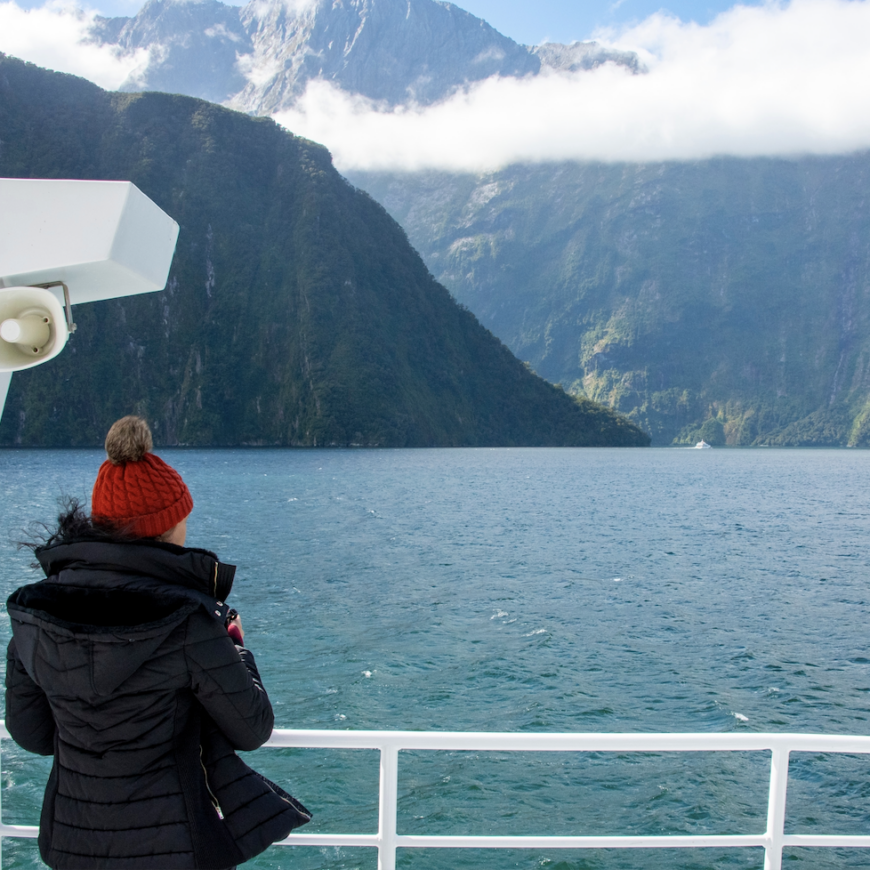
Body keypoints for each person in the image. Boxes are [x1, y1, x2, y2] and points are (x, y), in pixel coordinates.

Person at [4, 415, 310, 869]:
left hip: (73, 844)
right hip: (174, 848)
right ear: (167, 526)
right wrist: (236, 645)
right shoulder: (189, 621)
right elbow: (253, 727)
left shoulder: (34, 616)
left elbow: (32, 735)